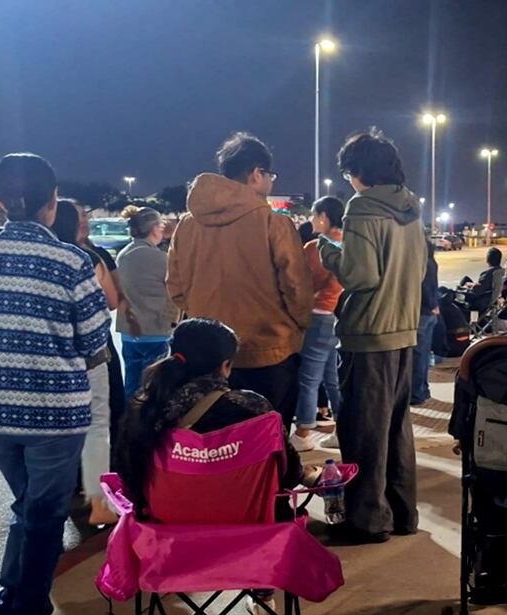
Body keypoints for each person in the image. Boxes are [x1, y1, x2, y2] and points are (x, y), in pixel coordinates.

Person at [0, 153, 111, 615]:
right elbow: (95, 342)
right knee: (44, 516)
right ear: (53, 201)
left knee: (26, 507)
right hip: (52, 412)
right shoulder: (70, 260)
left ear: (1, 201)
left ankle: (6, 606)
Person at [116, 317, 319, 615]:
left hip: (167, 542)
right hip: (252, 539)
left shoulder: (144, 409)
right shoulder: (253, 409)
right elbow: (287, 475)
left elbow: (128, 476)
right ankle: (262, 594)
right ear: (225, 365)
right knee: (274, 501)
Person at [317, 128, 425, 543]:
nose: (349, 182)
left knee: (363, 431)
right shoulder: (410, 207)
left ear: (358, 171)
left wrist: (326, 250)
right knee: (396, 428)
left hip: (369, 333)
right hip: (404, 331)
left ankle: (366, 521)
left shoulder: (362, 207)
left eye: (348, 174)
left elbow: (360, 275)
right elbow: (418, 269)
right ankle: (402, 513)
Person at [167, 132, 313, 428]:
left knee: (214, 443)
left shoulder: (187, 226)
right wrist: (297, 325)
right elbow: (296, 288)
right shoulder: (273, 223)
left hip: (207, 356)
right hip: (268, 350)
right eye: (270, 175)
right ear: (257, 173)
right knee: (267, 442)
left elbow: (176, 288)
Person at [53, 200, 120, 527]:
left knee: (62, 423)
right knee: (97, 423)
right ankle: (98, 501)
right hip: (93, 351)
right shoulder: (87, 259)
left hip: (54, 353)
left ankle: (67, 488)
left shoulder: (47, 256)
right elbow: (111, 301)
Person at [292, 196, 346, 452]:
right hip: (336, 316)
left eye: (314, 216)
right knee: (332, 378)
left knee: (308, 379)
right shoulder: (350, 244)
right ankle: (343, 430)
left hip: (316, 316)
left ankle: (302, 433)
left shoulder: (314, 247)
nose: (311, 220)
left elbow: (298, 281)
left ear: (324, 217)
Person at [75, 204, 127, 454]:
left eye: (85, 215)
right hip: (95, 344)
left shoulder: (99, 253)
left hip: (90, 342)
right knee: (103, 406)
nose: (84, 220)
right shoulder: (92, 258)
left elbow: (117, 296)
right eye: (79, 216)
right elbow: (113, 299)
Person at [116, 206, 180, 400]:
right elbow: (176, 286)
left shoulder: (123, 255)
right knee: (152, 388)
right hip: (156, 328)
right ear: (154, 229)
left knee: (131, 383)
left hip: (129, 331)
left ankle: (129, 416)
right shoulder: (160, 258)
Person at [411, 240, 440, 406]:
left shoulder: (423, 265)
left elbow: (426, 289)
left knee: (418, 356)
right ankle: (423, 389)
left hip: (422, 313)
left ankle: (416, 393)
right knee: (423, 355)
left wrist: (431, 304)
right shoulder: (432, 263)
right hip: (429, 314)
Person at [458, 247, 505, 317]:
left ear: (488, 259)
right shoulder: (500, 271)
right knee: (466, 279)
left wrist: (470, 286)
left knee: (456, 291)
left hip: (481, 301)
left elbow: (478, 290)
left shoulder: (489, 273)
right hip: (489, 298)